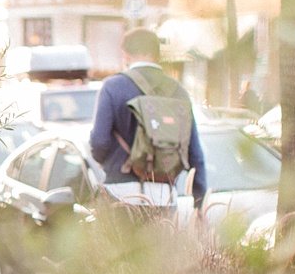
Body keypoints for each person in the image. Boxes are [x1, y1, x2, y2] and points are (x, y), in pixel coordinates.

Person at [88, 27, 208, 210]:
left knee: (118, 240)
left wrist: (107, 163)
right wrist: (199, 201)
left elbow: (99, 141)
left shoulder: (113, 86)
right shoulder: (178, 91)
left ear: (125, 54)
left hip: (121, 192)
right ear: (157, 54)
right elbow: (195, 153)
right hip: (163, 194)